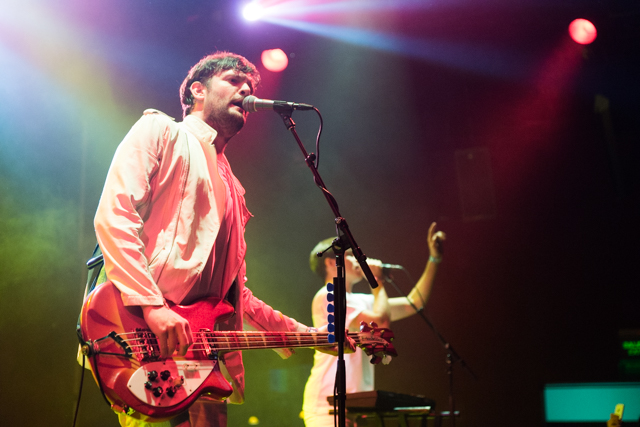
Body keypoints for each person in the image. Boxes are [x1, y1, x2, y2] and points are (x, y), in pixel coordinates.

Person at [93, 51, 320, 427]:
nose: (245, 90)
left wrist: (309, 335)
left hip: (203, 360)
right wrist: (152, 306)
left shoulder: (234, 187)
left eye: (249, 85)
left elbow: (236, 295)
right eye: (233, 80)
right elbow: (116, 216)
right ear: (197, 90)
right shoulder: (160, 131)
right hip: (144, 338)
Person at [301, 223, 446, 427]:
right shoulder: (328, 294)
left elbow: (413, 303)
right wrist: (376, 280)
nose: (358, 260)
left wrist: (434, 259)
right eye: (351, 256)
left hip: (355, 406)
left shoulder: (360, 300)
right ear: (331, 262)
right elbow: (381, 321)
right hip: (327, 404)